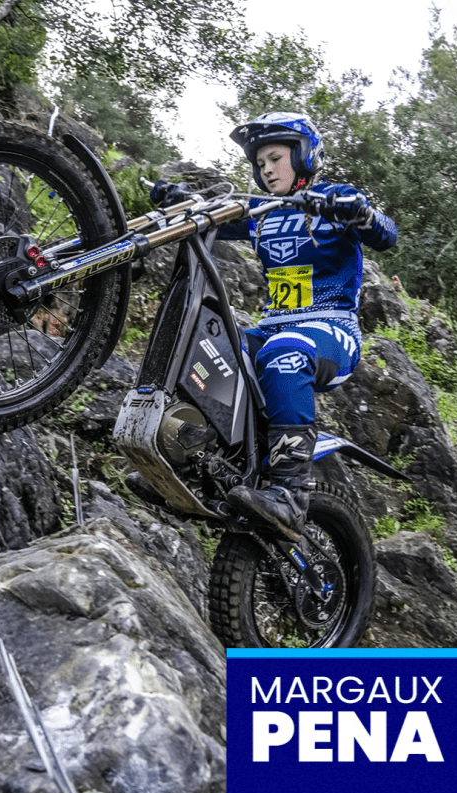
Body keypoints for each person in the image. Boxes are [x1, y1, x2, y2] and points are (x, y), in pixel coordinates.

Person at [153, 111, 398, 537]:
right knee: (206, 352)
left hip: (331, 328)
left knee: (283, 354)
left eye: (274, 158)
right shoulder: (262, 210)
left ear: (303, 157)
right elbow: (214, 219)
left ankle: (290, 492)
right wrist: (180, 200)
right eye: (260, 163)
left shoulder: (334, 199)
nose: (266, 169)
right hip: (275, 326)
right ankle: (194, 463)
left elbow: (387, 234)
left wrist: (359, 212)